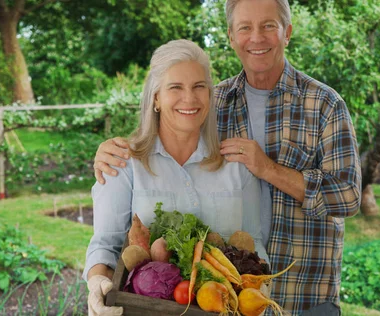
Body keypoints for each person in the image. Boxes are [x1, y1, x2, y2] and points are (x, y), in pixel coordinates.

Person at [93, 0, 361, 314]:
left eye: (269, 26)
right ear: (231, 37)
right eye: (245, 27)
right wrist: (112, 153)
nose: (256, 37)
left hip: (304, 291)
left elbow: (349, 197)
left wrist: (267, 168)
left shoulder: (324, 104)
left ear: (287, 32)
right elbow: (170, 122)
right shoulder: (213, 100)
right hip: (227, 299)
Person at [83, 39, 269, 316]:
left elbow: (255, 243)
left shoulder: (237, 165)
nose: (189, 99)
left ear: (210, 95)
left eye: (199, 87)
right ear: (156, 97)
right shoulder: (124, 163)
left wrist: (260, 294)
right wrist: (98, 282)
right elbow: (105, 246)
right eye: (175, 88)